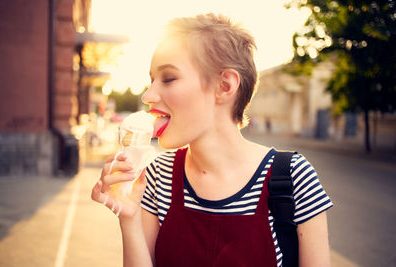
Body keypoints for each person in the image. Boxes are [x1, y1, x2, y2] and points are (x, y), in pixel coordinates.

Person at [91, 13, 333, 267]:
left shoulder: (293, 178)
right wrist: (129, 219)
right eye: (152, 80)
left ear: (225, 86)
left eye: (168, 78)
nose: (148, 96)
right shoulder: (154, 177)